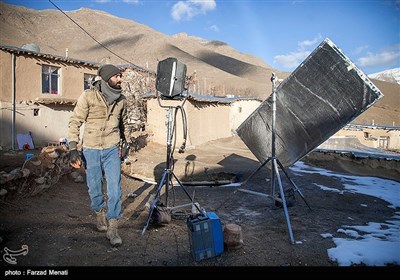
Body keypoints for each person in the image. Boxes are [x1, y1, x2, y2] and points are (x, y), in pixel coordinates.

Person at [68, 64, 128, 247]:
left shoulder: (122, 100)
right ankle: (99, 213)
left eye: (120, 76)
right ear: (107, 78)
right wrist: (72, 147)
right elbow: (75, 121)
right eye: (117, 76)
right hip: (91, 149)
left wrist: (126, 143)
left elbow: (123, 124)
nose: (120, 79)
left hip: (111, 148)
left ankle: (113, 227)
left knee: (115, 189)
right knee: (94, 187)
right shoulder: (88, 96)